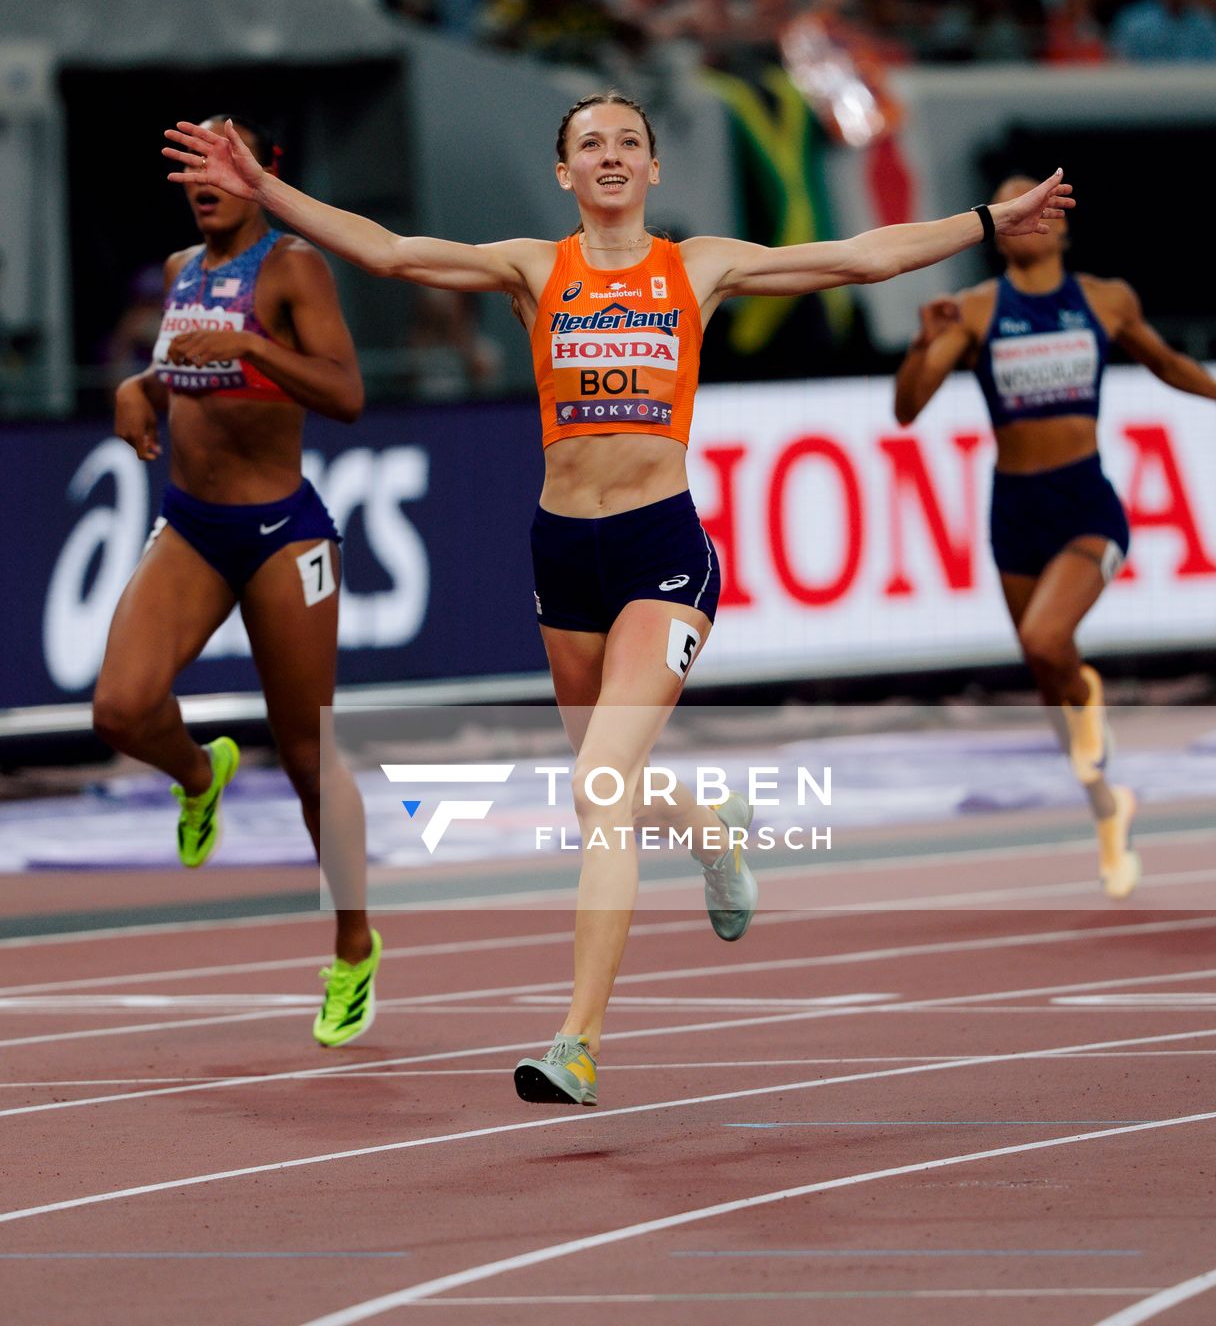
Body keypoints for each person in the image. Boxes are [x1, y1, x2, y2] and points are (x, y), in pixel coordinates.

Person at [164, 94, 1073, 1107]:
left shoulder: (698, 266)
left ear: (650, 171)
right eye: (590, 143)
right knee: (617, 781)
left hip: (660, 553)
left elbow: (862, 257)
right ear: (565, 173)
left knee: (598, 785)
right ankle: (709, 827)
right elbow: (387, 251)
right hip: (562, 555)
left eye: (627, 142)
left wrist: (992, 222)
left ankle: (576, 1043)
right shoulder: (532, 267)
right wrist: (267, 192)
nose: (609, 154)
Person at [95, 116, 381, 1048]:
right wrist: (141, 386)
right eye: (194, 165)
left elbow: (345, 395)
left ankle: (352, 948)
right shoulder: (182, 270)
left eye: (227, 163)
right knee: (119, 712)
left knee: (306, 757)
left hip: (278, 534)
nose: (207, 180)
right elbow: (182, 361)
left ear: (261, 174)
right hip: (191, 524)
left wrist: (256, 350)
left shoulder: (293, 267)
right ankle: (197, 772)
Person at [894, 176, 1216, 897]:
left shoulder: (1105, 298)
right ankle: (1104, 806)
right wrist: (922, 344)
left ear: (1061, 225)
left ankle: (1088, 696)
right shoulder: (973, 311)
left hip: (1086, 504)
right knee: (1047, 679)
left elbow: (1163, 360)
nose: (1026, 221)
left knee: (1043, 641)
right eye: (1011, 211)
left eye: (1038, 208)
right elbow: (908, 409)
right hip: (1015, 511)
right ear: (997, 231)